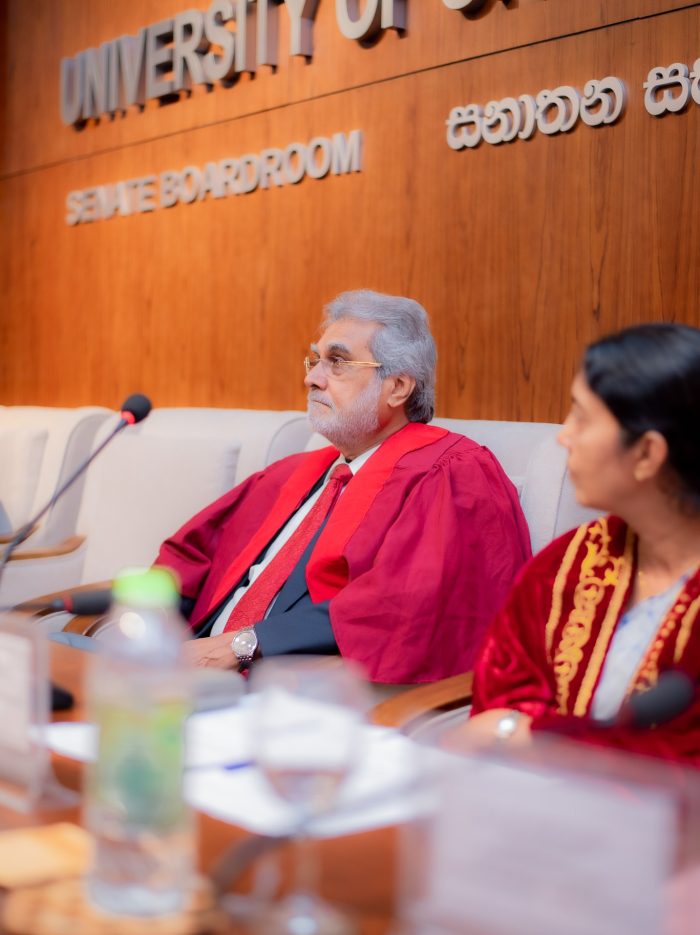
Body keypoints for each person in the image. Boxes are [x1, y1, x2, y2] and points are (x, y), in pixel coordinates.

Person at [156, 289, 531, 683]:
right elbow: (188, 559)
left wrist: (243, 644)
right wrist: (143, 627)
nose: (311, 378)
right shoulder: (290, 475)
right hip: (185, 673)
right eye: (315, 360)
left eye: (337, 362)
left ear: (398, 387)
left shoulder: (449, 474)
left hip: (293, 691)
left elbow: (407, 607)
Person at [462, 322, 700, 762]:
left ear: (647, 453)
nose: (563, 435)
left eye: (582, 417)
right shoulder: (566, 564)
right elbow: (500, 696)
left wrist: (529, 736)